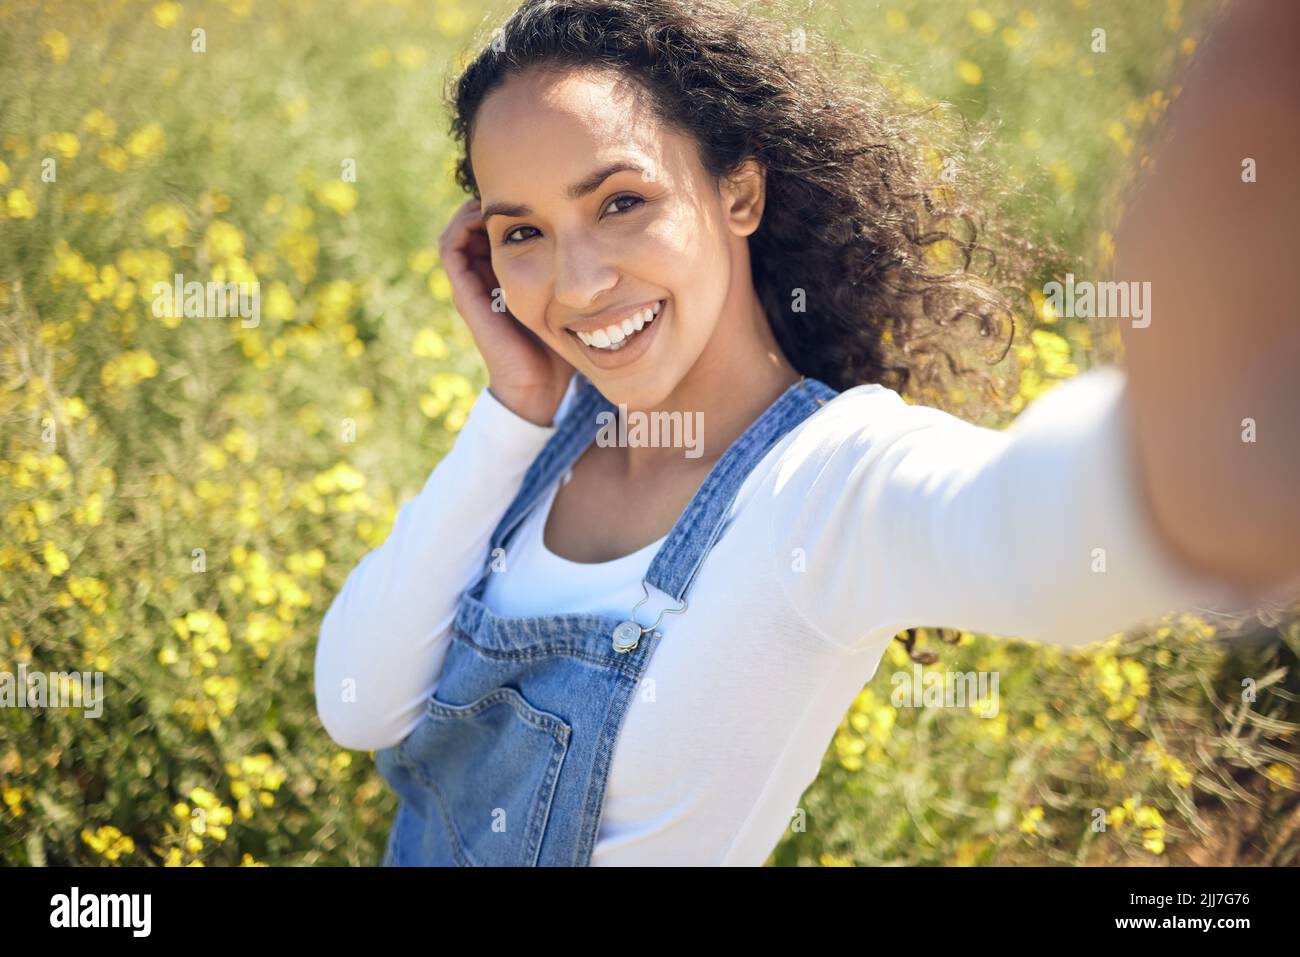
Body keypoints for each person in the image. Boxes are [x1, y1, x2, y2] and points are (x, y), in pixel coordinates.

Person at [314, 0, 1300, 866]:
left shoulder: (832, 484)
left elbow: (1039, 534)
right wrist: (510, 410)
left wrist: (1226, 424)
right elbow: (358, 702)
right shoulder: (545, 436)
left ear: (738, 194)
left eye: (621, 202)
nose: (574, 285)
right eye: (520, 231)